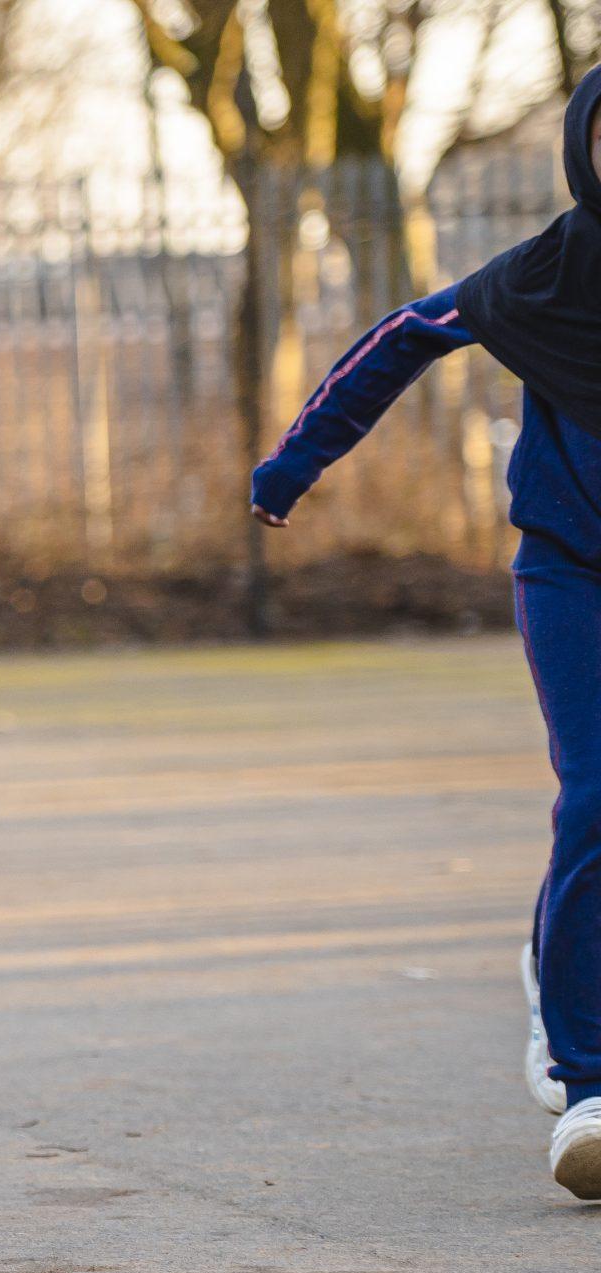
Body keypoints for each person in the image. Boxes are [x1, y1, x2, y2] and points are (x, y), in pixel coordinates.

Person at [254, 64, 601, 1200]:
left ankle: (552, 959)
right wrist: (296, 459)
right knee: (596, 798)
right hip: (571, 568)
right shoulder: (549, 273)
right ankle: (587, 1079)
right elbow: (405, 332)